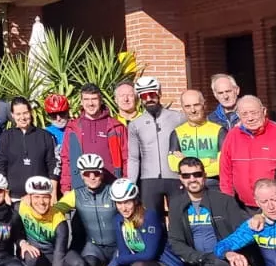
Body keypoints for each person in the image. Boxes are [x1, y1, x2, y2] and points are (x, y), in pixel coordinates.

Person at [166, 156, 253, 266]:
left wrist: (228, 255)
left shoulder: (224, 201)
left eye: (197, 174)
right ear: (180, 178)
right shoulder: (177, 204)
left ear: (204, 176)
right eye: (186, 175)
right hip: (201, 265)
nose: (192, 179)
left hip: (226, 263)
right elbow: (176, 241)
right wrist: (200, 258)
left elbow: (241, 234)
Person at [100, 179, 185, 266]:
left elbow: (149, 254)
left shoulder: (149, 216)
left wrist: (115, 262)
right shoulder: (118, 220)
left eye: (127, 202)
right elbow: (123, 251)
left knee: (139, 265)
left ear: (136, 200)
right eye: (119, 203)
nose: (124, 208)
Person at [56, 154, 122, 266]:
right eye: (87, 173)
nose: (92, 177)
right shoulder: (76, 195)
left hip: (117, 245)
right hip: (93, 246)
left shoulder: (113, 191)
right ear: (81, 175)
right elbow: (54, 211)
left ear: (102, 173)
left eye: (96, 173)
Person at [218, 96, 276, 210]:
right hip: (243, 207)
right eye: (244, 114)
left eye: (253, 113)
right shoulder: (232, 136)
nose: (250, 118)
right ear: (238, 115)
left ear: (264, 111)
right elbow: (225, 172)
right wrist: (228, 203)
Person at [17, 176, 84, 266]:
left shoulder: (59, 220)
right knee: (30, 257)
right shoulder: (22, 207)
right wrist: (22, 243)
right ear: (28, 198)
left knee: (79, 265)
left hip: (55, 255)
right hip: (36, 256)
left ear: (51, 198)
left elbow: (59, 256)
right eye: (36, 197)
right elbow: (14, 230)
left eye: (46, 197)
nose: (41, 202)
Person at [125, 76, 182, 216]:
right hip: (148, 181)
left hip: (175, 177)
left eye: (152, 94)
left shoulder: (179, 118)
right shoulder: (134, 125)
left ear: (160, 93)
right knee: (151, 221)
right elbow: (133, 158)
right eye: (144, 95)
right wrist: (131, 184)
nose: (149, 98)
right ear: (140, 98)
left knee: (179, 219)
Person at [59, 84, 125, 193]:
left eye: (94, 99)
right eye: (86, 99)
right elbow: (66, 159)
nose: (90, 103)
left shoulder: (115, 127)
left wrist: (125, 183)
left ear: (101, 100)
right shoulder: (73, 128)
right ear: (81, 101)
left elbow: (126, 157)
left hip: (111, 185)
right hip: (80, 187)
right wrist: (66, 187)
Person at [167, 89, 227, 189]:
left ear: (204, 105)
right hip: (188, 185)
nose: (193, 110)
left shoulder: (219, 131)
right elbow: (173, 165)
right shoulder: (177, 133)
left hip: (214, 183)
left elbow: (222, 165)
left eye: (196, 105)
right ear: (183, 108)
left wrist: (185, 160)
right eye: (187, 106)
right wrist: (208, 161)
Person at [0, 98, 53, 193]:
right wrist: (4, 191)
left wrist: (53, 193)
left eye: (25, 113)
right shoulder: (5, 137)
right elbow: (0, 165)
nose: (23, 117)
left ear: (31, 112)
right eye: (18, 114)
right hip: (13, 197)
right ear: (12, 115)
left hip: (40, 196)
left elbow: (53, 165)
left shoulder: (45, 136)